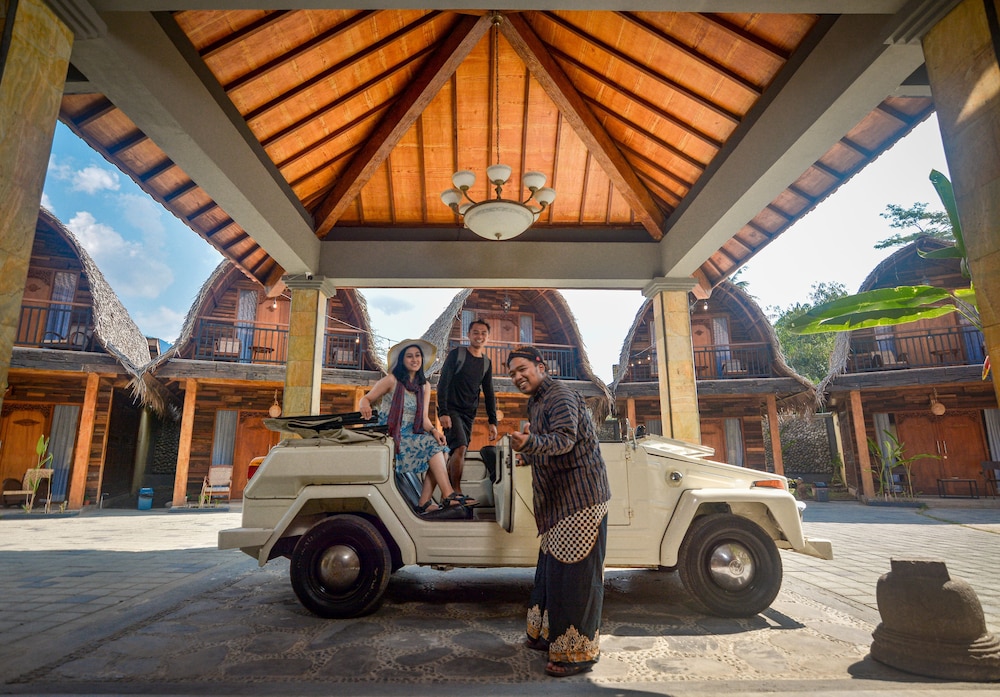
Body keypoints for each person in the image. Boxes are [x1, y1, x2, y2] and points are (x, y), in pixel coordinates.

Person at [506, 345, 611, 678]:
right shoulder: (537, 401)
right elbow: (547, 445)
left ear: (541, 366)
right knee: (554, 575)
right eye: (512, 374)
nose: (517, 377)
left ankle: (576, 655)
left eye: (522, 369)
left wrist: (529, 444)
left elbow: (564, 440)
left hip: (580, 500)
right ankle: (548, 638)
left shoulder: (560, 396)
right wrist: (528, 452)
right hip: (557, 504)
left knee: (576, 580)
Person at [358, 339, 471, 513]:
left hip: (411, 433)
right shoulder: (392, 380)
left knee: (441, 447)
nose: (414, 359)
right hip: (390, 434)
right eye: (409, 356)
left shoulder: (424, 386)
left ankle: (424, 502)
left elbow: (424, 418)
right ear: (402, 360)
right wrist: (364, 405)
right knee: (433, 447)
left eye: (417, 356)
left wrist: (434, 431)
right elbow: (366, 398)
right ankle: (448, 494)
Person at [436, 319, 498, 503]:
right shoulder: (457, 354)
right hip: (451, 410)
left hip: (469, 414)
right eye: (476, 332)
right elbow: (443, 383)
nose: (479, 336)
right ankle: (456, 491)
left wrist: (492, 421)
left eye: (483, 333)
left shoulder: (486, 363)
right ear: (468, 335)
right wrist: (443, 412)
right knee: (460, 446)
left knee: (458, 450)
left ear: (487, 337)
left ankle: (447, 495)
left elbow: (489, 392)